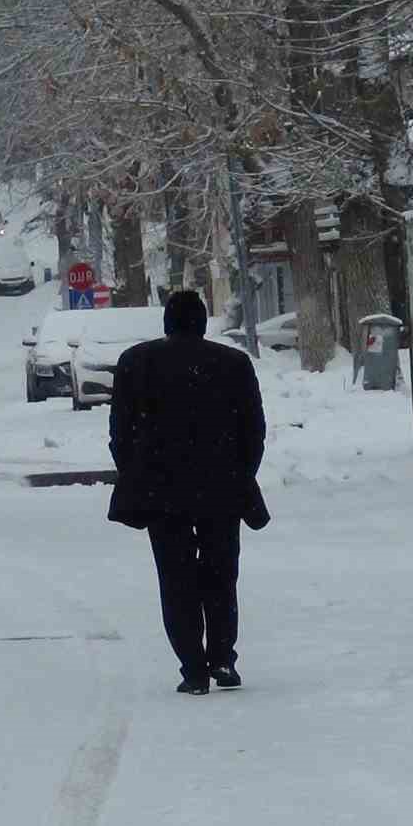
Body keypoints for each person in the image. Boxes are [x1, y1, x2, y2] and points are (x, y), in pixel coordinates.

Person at [107, 290, 268, 696]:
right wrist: (240, 473)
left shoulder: (136, 363)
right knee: (220, 573)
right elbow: (254, 431)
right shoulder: (232, 364)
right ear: (202, 322)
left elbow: (120, 431)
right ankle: (223, 656)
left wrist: (134, 472)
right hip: (220, 487)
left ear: (167, 323)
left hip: (161, 491)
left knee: (175, 579)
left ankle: (193, 668)